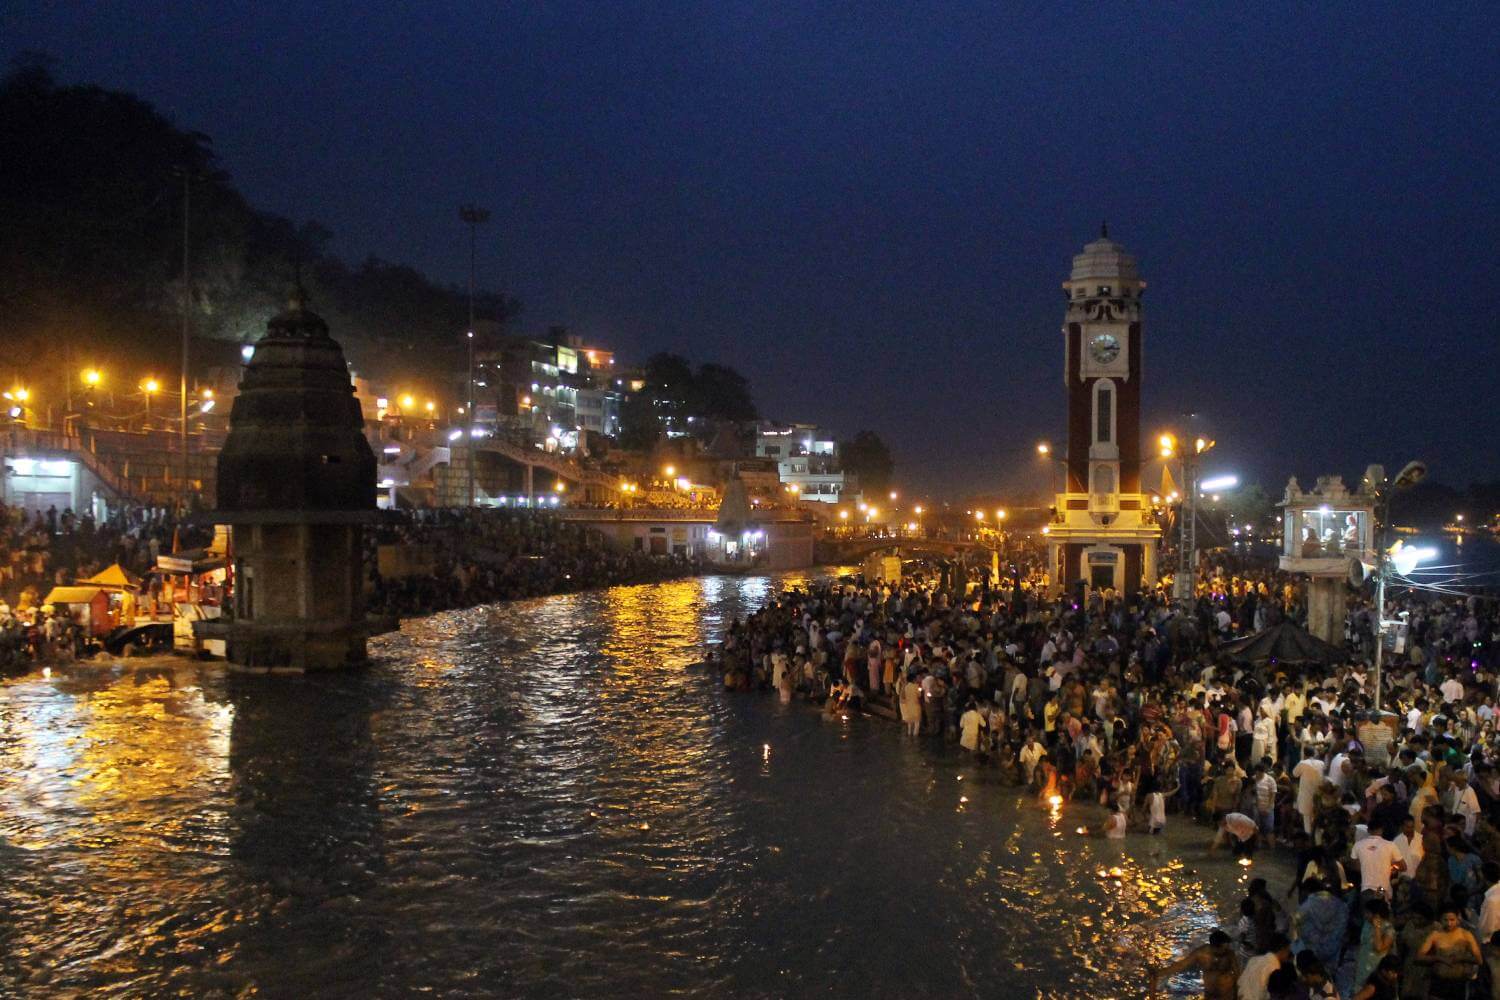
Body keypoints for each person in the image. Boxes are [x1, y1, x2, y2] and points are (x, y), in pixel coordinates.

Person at [1156, 928, 1239, 1000]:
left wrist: (1235, 994)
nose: (1227, 949)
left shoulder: (1230, 954)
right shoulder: (1201, 953)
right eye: (1224, 948)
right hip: (1210, 994)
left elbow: (1237, 973)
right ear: (1215, 947)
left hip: (1226, 994)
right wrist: (1160, 973)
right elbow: (1181, 965)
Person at [1417, 907, 1481, 999]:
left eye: (1452, 920)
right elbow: (1419, 957)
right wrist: (1439, 958)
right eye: (1445, 920)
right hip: (1439, 981)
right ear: (1440, 920)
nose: (1449, 923)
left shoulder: (1466, 935)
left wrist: (1461, 958)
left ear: (1457, 919)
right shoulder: (1435, 935)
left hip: (1458, 982)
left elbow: (1479, 960)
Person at [1353, 898, 1395, 994]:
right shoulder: (1367, 924)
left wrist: (1377, 928)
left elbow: (1378, 948)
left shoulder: (1389, 929)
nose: (1365, 915)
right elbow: (1362, 944)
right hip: (1361, 967)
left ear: (1376, 915)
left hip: (1375, 968)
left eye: (1367, 913)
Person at [1238, 933, 1291, 1000]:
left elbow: (1240, 984)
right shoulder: (1274, 968)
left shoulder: (1253, 960)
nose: (1288, 954)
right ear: (1283, 950)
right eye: (1288, 951)